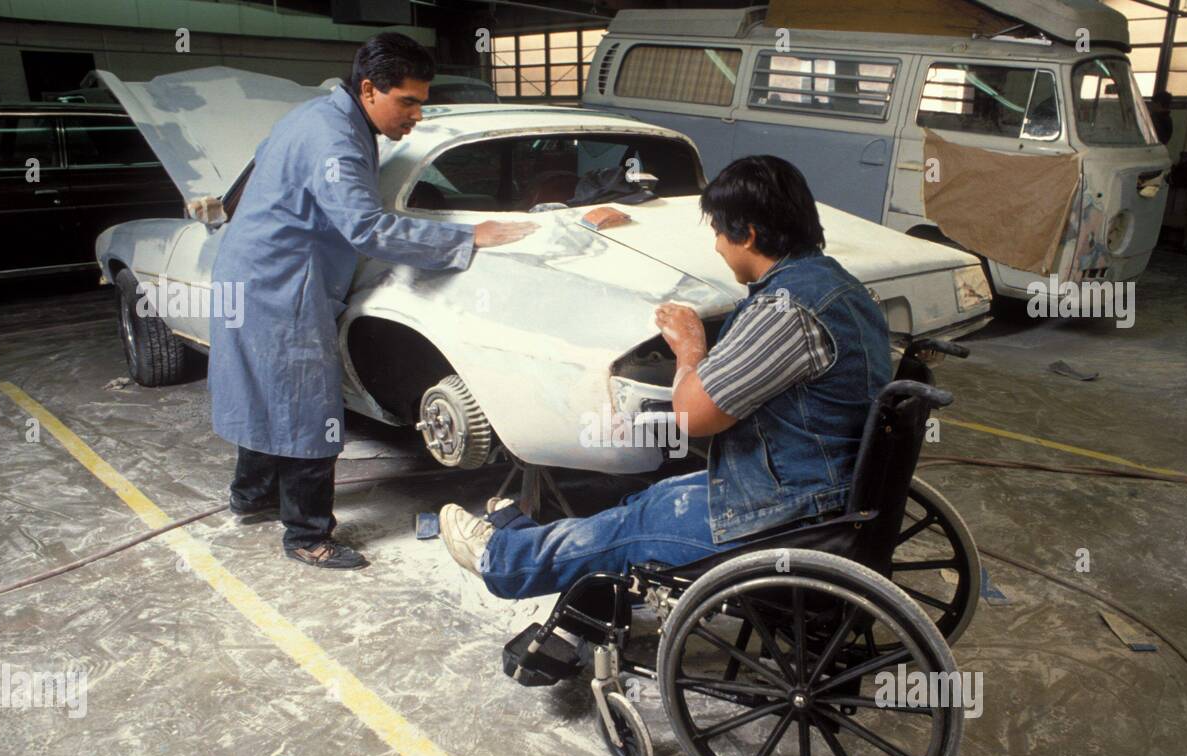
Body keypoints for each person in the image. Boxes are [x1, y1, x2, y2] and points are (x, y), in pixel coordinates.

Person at [437, 155, 892, 598]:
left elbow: (693, 418)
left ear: (748, 235)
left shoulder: (786, 311)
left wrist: (690, 349)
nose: (716, 246)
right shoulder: (842, 286)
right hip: (826, 487)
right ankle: (532, 541)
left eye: (718, 233)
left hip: (792, 513)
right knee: (652, 500)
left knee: (631, 528)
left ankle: (503, 558)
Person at [211, 33, 536, 570]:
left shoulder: (314, 115)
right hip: (281, 283)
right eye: (406, 102)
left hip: (247, 271)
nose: (415, 117)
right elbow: (366, 228)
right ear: (368, 89)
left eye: (421, 104)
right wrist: (469, 237)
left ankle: (252, 495)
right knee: (307, 406)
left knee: (265, 391)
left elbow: (245, 188)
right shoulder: (336, 138)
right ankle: (307, 534)